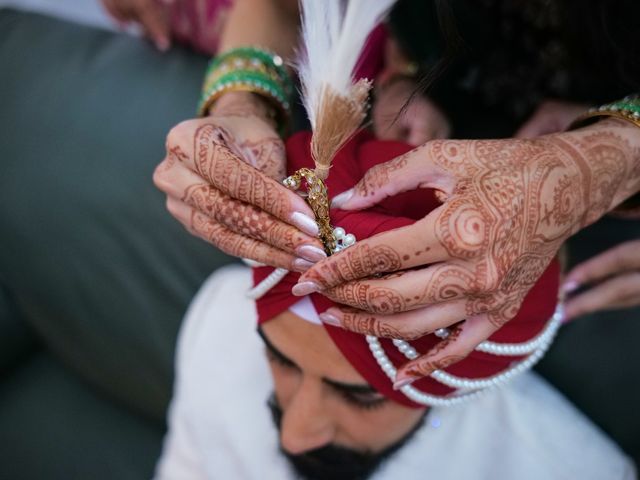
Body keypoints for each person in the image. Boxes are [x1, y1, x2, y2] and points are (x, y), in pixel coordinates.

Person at [154, 131, 636, 479]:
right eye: (280, 361)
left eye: (362, 395)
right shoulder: (218, 326)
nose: (295, 434)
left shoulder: (566, 468)